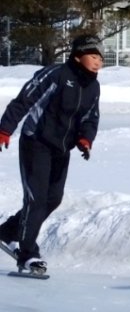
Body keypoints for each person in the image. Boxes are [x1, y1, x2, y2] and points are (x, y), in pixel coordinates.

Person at [0, 34, 103, 273]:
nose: (98, 62)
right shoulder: (55, 75)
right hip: (36, 142)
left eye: (100, 58)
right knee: (36, 199)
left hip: (61, 149)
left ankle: (7, 232)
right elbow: (24, 100)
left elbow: (91, 117)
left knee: (52, 199)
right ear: (78, 57)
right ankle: (27, 254)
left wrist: (86, 138)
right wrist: (5, 129)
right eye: (93, 56)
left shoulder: (93, 86)